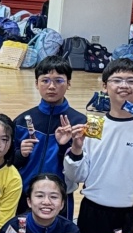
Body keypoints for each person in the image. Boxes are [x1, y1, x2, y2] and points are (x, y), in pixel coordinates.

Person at [63, 57, 133, 233]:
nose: (124, 85)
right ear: (105, 87)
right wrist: (76, 149)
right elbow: (77, 176)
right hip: (93, 213)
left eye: (131, 81)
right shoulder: (94, 126)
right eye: (117, 80)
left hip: (132, 214)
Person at [14, 56, 84, 188]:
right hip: (25, 192)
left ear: (68, 83)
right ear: (36, 83)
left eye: (59, 81)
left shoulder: (79, 123)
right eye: (45, 80)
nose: (51, 86)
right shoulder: (21, 121)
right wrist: (20, 155)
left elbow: (81, 171)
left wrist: (65, 146)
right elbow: (8, 161)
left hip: (60, 194)